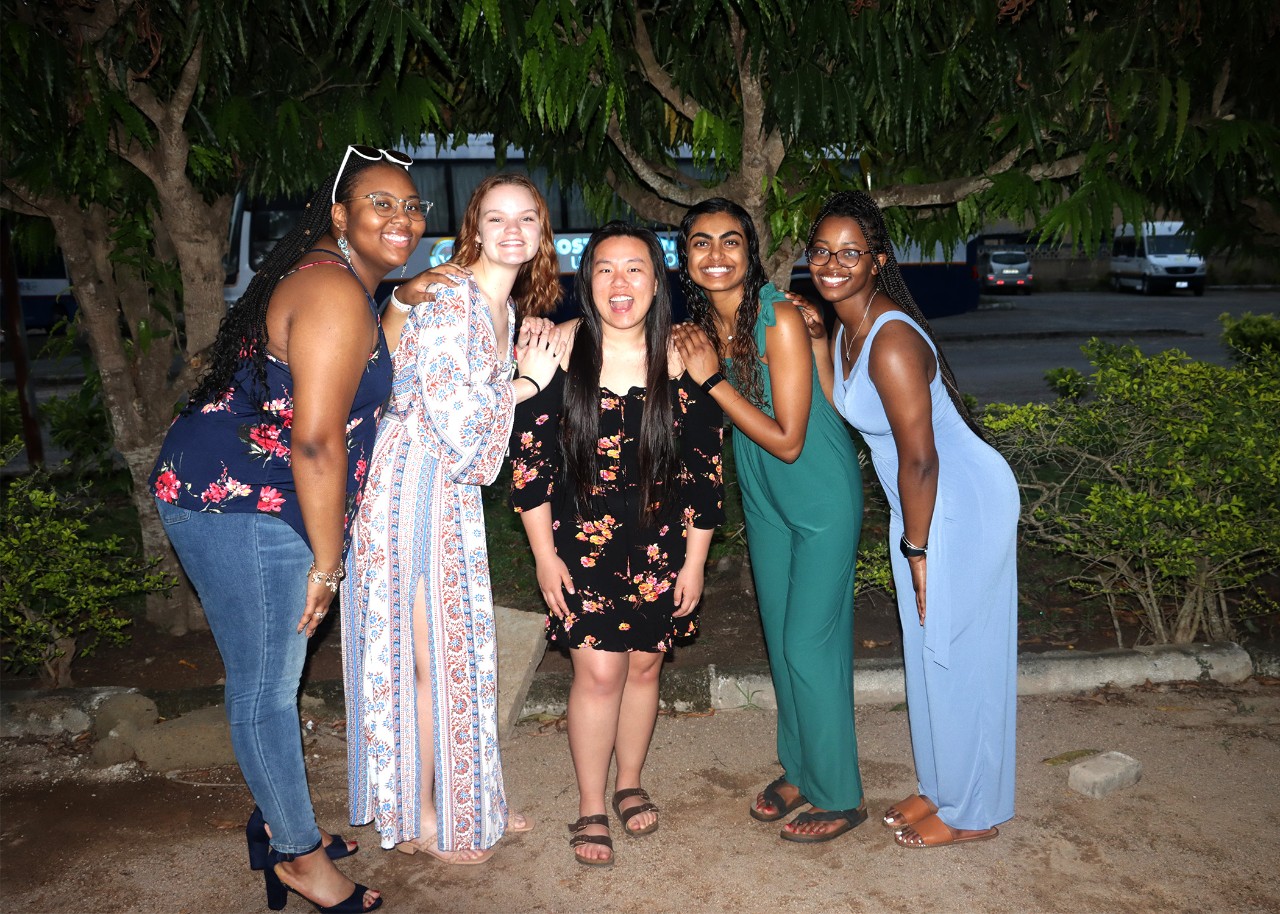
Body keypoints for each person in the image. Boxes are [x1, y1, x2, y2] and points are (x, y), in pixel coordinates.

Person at [150, 143, 430, 912]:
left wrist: (403, 303)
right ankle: (299, 859)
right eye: (380, 202)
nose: (401, 218)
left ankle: (277, 820)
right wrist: (329, 564)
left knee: (273, 671)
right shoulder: (336, 292)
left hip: (256, 495)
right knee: (268, 686)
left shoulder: (341, 282)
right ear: (339, 215)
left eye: (412, 206)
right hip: (240, 503)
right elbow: (315, 440)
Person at [342, 174, 563, 866]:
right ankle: (424, 815)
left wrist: (524, 368)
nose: (510, 231)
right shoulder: (449, 297)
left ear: (541, 233)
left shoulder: (500, 305)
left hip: (446, 490)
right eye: (495, 218)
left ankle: (472, 799)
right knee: (425, 660)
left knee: (458, 652)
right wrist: (526, 384)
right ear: (474, 226)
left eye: (525, 219)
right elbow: (459, 421)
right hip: (408, 487)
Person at [800, 190, 1017, 848]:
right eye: (821, 251)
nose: (832, 263)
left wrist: (918, 554)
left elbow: (920, 460)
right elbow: (851, 404)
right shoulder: (846, 327)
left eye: (850, 253)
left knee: (962, 654)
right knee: (928, 656)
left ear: (878, 261)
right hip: (921, 509)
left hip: (958, 503)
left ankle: (974, 813)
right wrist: (814, 340)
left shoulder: (890, 340)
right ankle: (943, 789)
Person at [508, 222, 725, 866]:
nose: (619, 283)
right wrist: (545, 556)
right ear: (586, 281)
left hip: (661, 548)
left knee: (646, 667)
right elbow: (529, 466)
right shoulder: (556, 354)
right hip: (580, 548)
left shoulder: (687, 358)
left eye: (635, 269)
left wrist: (695, 562)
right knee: (598, 672)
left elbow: (705, 471)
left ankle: (630, 782)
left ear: (657, 283)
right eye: (604, 269)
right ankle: (591, 803)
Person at [671, 198, 866, 843]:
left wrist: (711, 382)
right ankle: (803, 770)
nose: (717, 255)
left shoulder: (778, 317)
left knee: (809, 645)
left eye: (731, 241)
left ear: (752, 254)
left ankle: (840, 793)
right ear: (685, 257)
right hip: (761, 489)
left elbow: (788, 437)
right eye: (701, 243)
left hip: (814, 486)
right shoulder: (702, 323)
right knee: (781, 640)